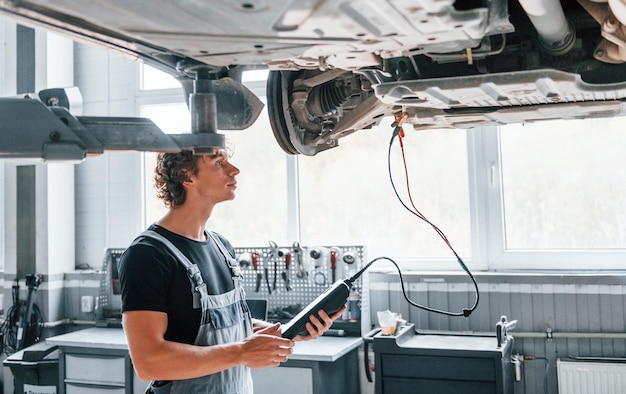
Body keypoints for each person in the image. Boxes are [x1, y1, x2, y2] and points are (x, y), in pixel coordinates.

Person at [119, 148, 345, 393]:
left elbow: (231, 326)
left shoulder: (222, 247)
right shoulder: (148, 255)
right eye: (218, 163)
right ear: (187, 176)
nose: (234, 170)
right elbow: (148, 362)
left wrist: (288, 332)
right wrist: (241, 352)